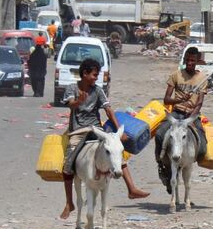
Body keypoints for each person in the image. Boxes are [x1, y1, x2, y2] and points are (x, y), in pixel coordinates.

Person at [60, 58, 149, 219]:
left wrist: (118, 131)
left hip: (97, 129)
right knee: (67, 164)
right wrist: (78, 102)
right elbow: (70, 105)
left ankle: (131, 188)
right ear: (85, 74)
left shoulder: (98, 91)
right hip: (78, 132)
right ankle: (69, 202)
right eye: (94, 75)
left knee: (115, 151)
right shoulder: (72, 88)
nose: (96, 78)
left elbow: (108, 110)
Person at [154, 46, 208, 192]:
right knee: (160, 134)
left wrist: (191, 117)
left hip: (191, 115)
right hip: (176, 113)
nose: (190, 63)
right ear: (184, 60)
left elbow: (200, 103)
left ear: (197, 61)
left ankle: (188, 163)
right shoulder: (176, 76)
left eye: (193, 60)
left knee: (202, 146)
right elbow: (166, 99)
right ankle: (162, 164)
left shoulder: (202, 79)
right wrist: (178, 101)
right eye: (188, 60)